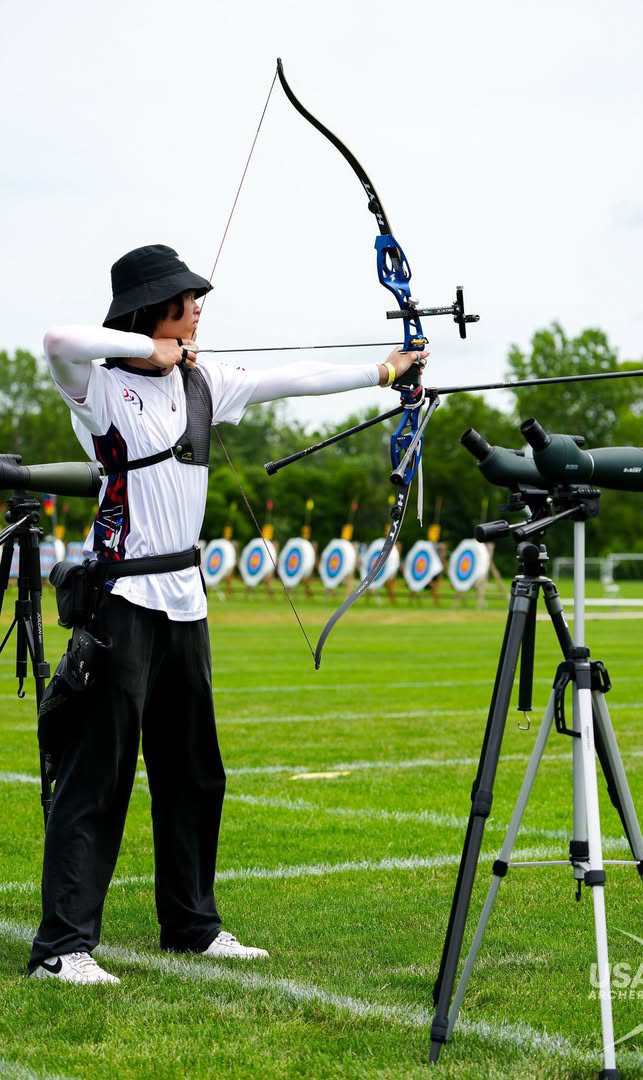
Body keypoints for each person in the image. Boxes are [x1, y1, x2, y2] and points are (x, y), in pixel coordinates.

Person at [28, 244, 428, 983]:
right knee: (98, 776)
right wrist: (146, 348)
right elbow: (57, 338)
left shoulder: (206, 380)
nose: (198, 310)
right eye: (186, 301)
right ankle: (63, 949)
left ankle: (191, 925)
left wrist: (385, 371)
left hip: (185, 601)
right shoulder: (97, 387)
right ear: (155, 310)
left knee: (194, 772)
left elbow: (295, 378)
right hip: (119, 600)